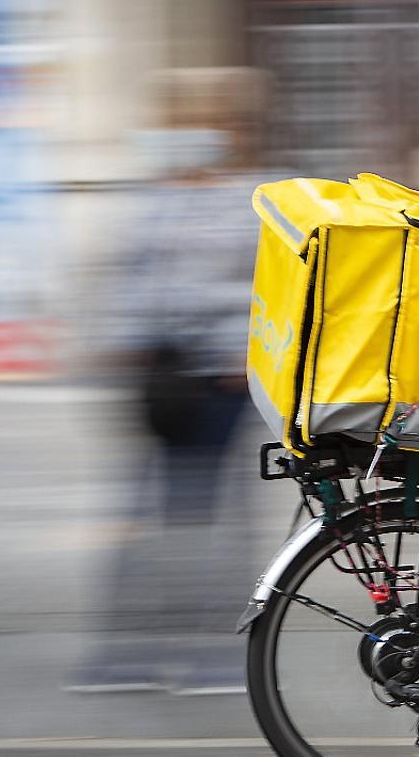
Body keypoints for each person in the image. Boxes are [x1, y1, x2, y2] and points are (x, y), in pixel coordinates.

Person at [66, 68, 271, 695]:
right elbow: (132, 275)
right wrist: (126, 342)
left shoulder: (249, 198)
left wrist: (240, 349)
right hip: (166, 381)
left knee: (219, 523)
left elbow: (267, 285)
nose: (197, 134)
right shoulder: (158, 196)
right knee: (144, 519)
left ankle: (214, 656)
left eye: (210, 122)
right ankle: (125, 654)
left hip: (219, 381)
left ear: (230, 130)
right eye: (186, 121)